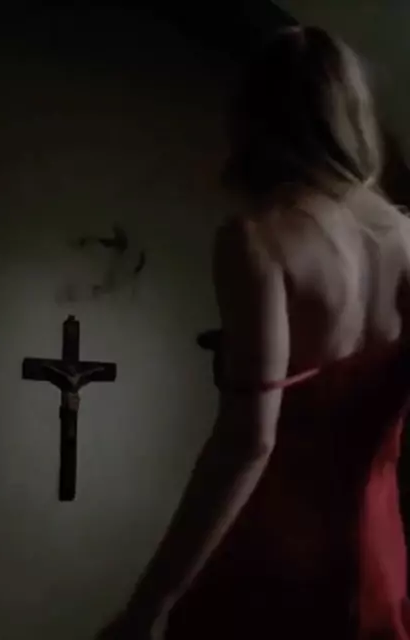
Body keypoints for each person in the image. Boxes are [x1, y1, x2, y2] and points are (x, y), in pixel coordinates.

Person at [97, 26, 410, 639]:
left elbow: (249, 443)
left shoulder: (258, 240)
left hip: (269, 563)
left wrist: (148, 605)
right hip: (376, 558)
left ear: (256, 120)